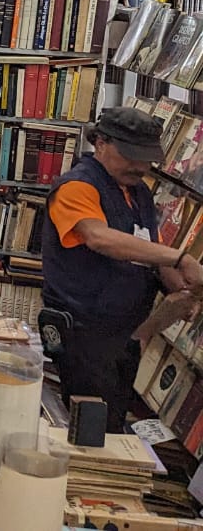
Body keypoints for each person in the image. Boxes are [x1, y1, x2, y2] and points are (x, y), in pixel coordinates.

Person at [43, 107, 203, 433]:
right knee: (90, 429)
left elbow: (151, 251)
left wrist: (182, 290)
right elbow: (99, 238)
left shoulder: (138, 192)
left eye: (147, 158)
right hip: (84, 334)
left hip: (124, 336)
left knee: (110, 423)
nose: (141, 166)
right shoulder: (77, 187)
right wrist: (182, 259)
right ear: (100, 142)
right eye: (130, 155)